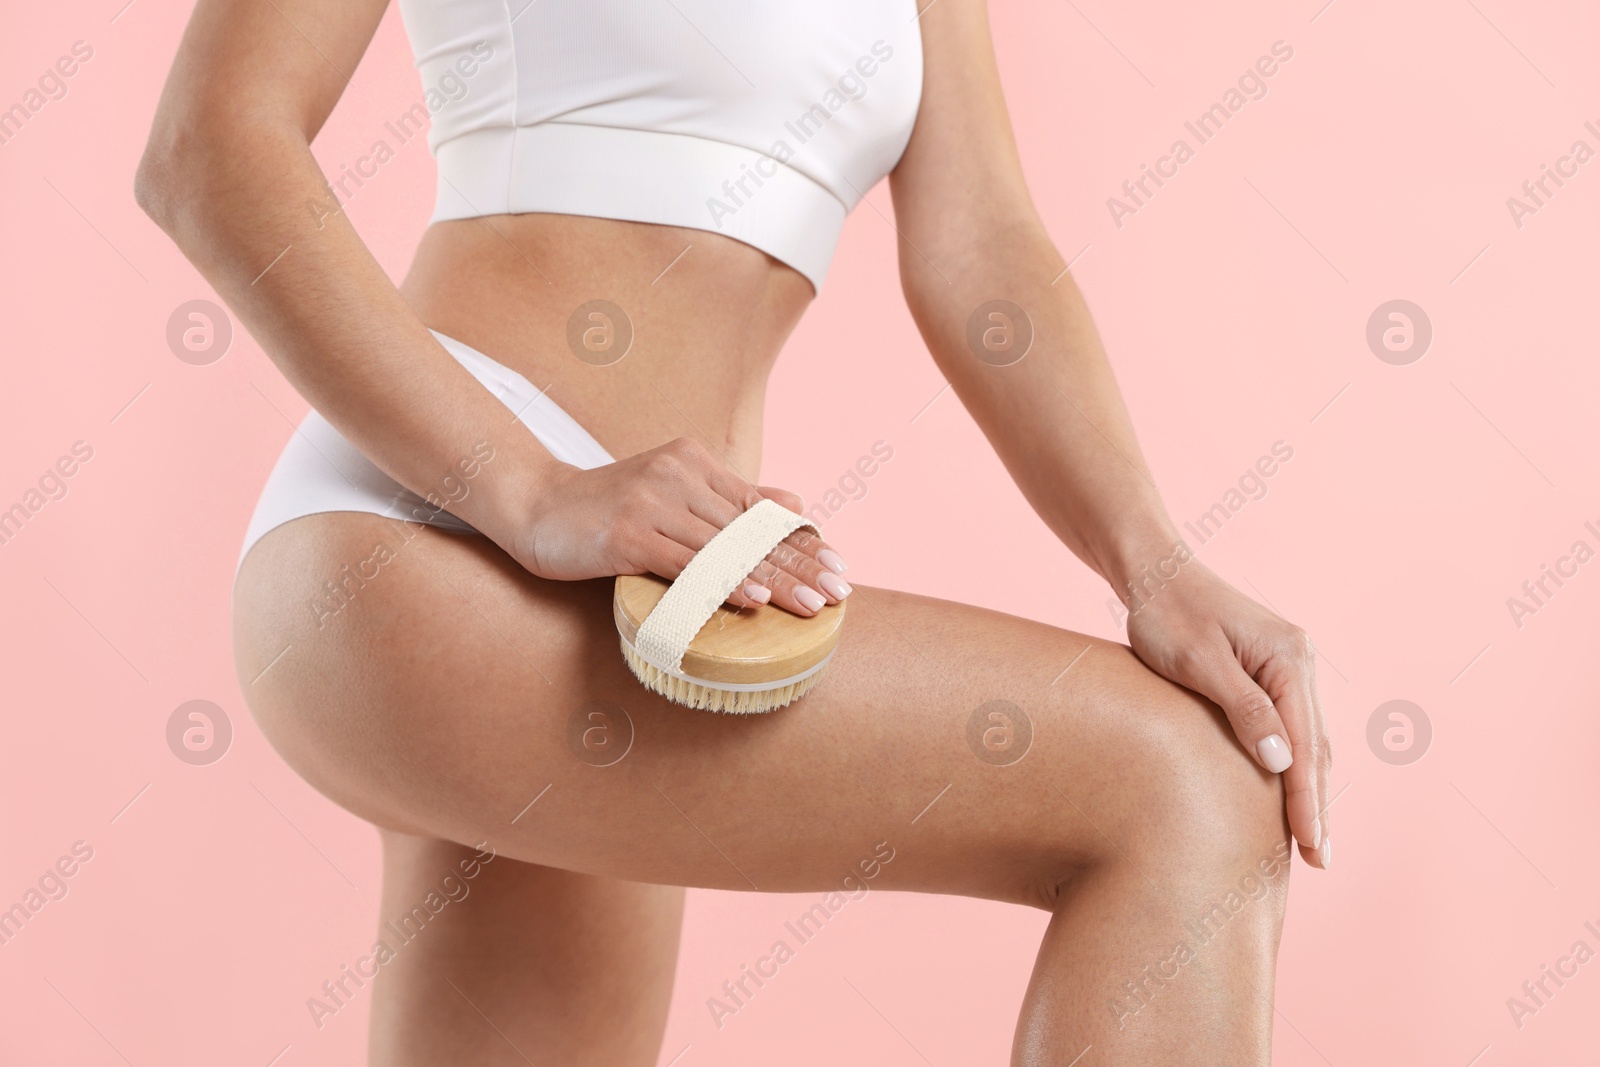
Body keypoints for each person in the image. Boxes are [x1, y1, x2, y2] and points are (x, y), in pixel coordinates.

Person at [136, 0, 1331, 1062]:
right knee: (1182, 786)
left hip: (652, 590)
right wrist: (531, 490)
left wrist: (1153, 562)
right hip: (444, 528)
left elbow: (982, 246)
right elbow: (210, 145)